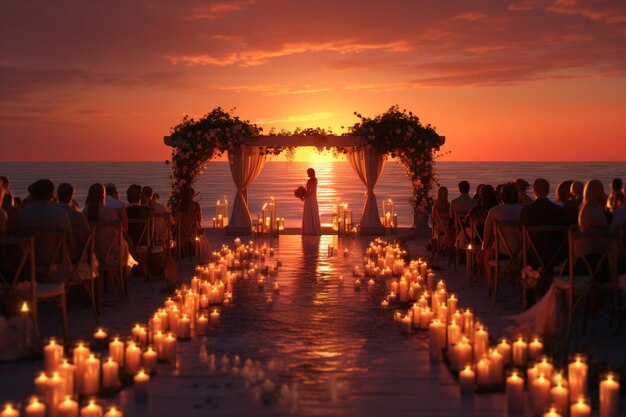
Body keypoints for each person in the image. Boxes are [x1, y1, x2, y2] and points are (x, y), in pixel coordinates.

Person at [519, 179, 568, 304]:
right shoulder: (559, 211)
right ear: (548, 190)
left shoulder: (526, 212)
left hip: (533, 258)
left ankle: (528, 298)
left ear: (534, 191)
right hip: (556, 258)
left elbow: (522, 237)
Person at [16, 179, 71, 276]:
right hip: (55, 261)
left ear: (33, 194)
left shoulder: (22, 214)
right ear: (52, 194)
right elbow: (68, 240)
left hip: (27, 263)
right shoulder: (60, 213)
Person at [483, 183, 523, 290]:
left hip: (500, 254)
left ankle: (492, 284)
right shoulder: (523, 211)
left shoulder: (494, 211)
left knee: (486, 255)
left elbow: (487, 236)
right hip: (520, 254)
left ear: (501, 196)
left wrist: (484, 248)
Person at [85, 183, 129, 271]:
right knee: (125, 245)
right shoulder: (111, 212)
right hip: (110, 252)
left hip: (91, 253)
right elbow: (122, 230)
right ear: (103, 196)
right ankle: (120, 279)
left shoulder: (85, 212)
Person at [176, 187, 210, 263]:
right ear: (192, 195)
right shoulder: (195, 205)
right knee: (201, 234)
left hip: (181, 233)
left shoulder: (179, 205)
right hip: (193, 232)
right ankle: (199, 254)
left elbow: (177, 220)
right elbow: (199, 219)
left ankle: (184, 251)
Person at [302, 168, 321, 235]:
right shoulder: (308, 181)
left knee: (312, 213)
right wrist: (303, 195)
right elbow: (307, 190)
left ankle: (313, 230)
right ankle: (308, 230)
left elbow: (312, 190)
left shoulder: (315, 180)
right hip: (308, 199)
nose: (307, 174)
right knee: (308, 214)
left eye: (308, 172)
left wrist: (306, 196)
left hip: (312, 199)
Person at [432, 187, 451, 253]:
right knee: (449, 232)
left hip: (445, 224)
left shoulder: (447, 204)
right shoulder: (437, 205)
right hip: (440, 225)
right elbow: (434, 217)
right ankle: (443, 247)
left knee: (449, 230)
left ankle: (442, 246)